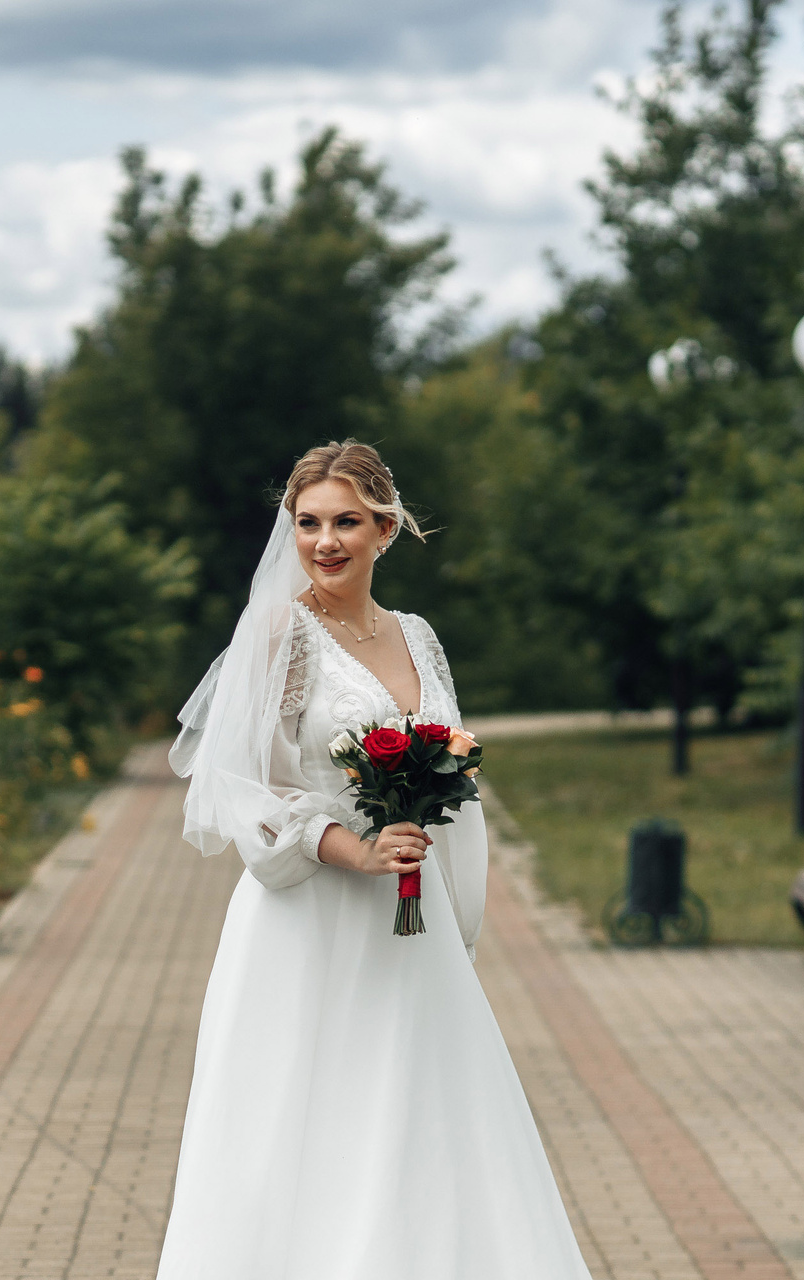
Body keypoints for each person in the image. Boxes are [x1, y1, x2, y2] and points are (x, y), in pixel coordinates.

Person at [157, 440, 592, 1279]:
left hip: (411, 915)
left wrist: (435, 816)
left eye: (346, 522)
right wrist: (354, 851)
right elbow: (247, 789)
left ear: (385, 530)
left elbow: (453, 753)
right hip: (309, 919)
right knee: (308, 1121)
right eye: (308, 523)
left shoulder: (418, 637)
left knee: (420, 1112)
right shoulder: (281, 633)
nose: (324, 542)